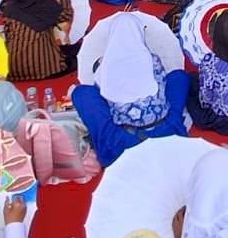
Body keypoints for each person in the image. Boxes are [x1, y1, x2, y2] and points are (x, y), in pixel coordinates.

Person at [70, 13, 189, 166]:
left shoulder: (105, 66)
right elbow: (162, 85)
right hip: (167, 131)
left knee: (82, 93)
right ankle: (174, 122)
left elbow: (103, 97)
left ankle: (108, 143)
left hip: (123, 142)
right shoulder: (152, 60)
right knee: (178, 76)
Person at [1, 0, 74, 80]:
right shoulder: (48, 4)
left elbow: (8, 34)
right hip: (44, 69)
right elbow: (66, 15)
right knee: (73, 53)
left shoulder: (10, 6)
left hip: (13, 69)